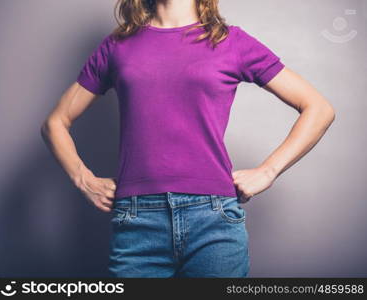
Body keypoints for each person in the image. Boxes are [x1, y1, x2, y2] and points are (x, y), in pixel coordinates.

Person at [41, 0, 335, 278]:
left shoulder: (231, 42)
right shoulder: (117, 46)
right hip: (137, 222)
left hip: (214, 220)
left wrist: (268, 170)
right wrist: (83, 179)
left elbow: (318, 109)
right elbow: (55, 123)